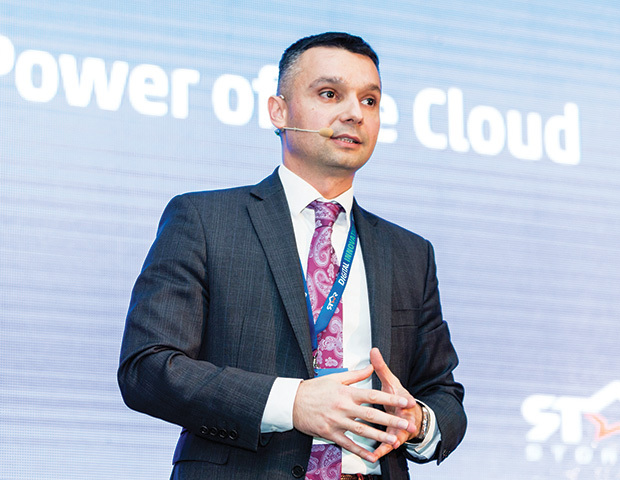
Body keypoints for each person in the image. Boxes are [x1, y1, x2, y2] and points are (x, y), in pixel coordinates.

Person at [118, 32, 466, 480]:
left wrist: (417, 422)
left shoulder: (409, 254)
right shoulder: (205, 221)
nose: (354, 113)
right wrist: (292, 403)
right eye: (330, 94)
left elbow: (444, 395)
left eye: (370, 101)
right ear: (278, 111)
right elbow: (147, 368)